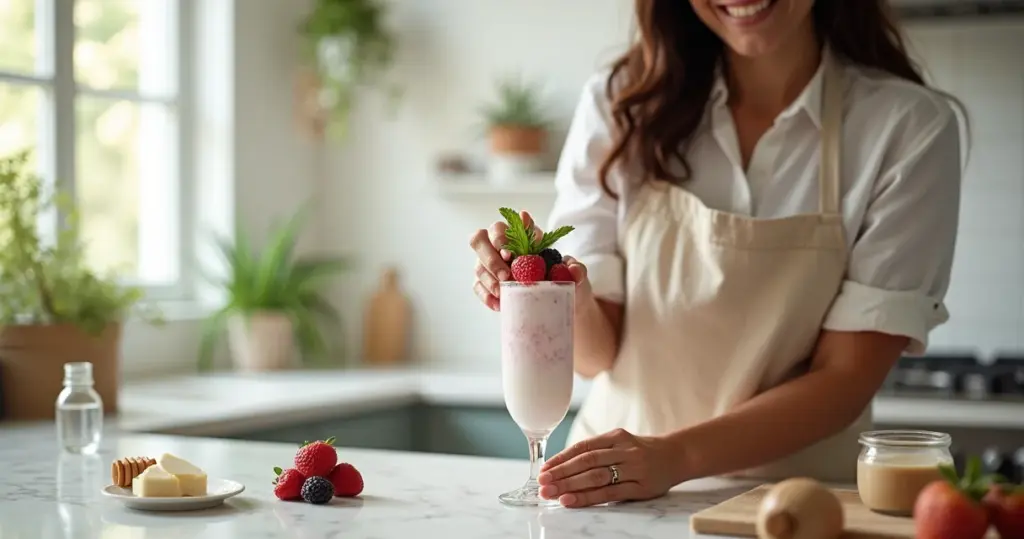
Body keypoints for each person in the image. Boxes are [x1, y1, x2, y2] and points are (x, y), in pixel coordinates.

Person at [468, 0, 966, 508]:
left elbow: (845, 377)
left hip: (793, 507)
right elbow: (597, 357)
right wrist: (566, 294)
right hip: (611, 496)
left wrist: (673, 457)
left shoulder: (908, 128)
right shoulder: (621, 104)